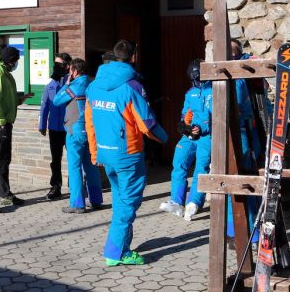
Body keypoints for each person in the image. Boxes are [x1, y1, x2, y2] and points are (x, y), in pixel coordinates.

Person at [85, 39, 167, 266]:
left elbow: (89, 123)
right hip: (128, 154)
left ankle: (123, 246)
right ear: (134, 57)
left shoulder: (93, 86)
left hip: (106, 154)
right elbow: (146, 123)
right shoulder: (133, 86)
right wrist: (166, 139)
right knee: (129, 204)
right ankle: (115, 252)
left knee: (121, 201)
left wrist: (94, 152)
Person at [0, 46, 33, 213]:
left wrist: (20, 99)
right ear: (10, 61)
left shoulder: (4, 72)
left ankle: (5, 194)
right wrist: (1, 121)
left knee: (4, 160)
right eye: (16, 60)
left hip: (4, 122)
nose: (17, 63)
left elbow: (6, 99)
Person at [159, 59, 213, 221]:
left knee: (201, 166)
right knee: (179, 162)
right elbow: (185, 115)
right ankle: (176, 200)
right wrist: (184, 126)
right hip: (191, 135)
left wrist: (203, 128)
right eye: (193, 79)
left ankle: (194, 201)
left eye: (198, 78)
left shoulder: (216, 90)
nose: (196, 82)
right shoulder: (190, 93)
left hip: (208, 135)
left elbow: (220, 116)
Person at [53, 58, 103, 213]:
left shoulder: (74, 85)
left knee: (75, 168)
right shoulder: (93, 84)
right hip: (91, 131)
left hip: (75, 130)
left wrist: (67, 84)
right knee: (91, 166)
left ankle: (77, 204)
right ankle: (96, 200)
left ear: (74, 71)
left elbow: (56, 100)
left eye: (70, 71)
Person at [227, 39, 262, 244]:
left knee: (245, 184)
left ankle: (251, 234)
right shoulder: (235, 75)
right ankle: (234, 232)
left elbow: (235, 108)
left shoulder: (239, 77)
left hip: (243, 136)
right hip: (234, 136)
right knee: (233, 186)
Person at [38, 53, 72, 200]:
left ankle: (76, 185)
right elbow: (44, 106)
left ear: (67, 65)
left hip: (69, 127)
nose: (55, 67)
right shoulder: (50, 85)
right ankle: (56, 186)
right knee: (55, 159)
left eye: (59, 64)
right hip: (54, 128)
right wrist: (42, 124)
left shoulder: (72, 83)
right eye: (55, 64)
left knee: (74, 157)